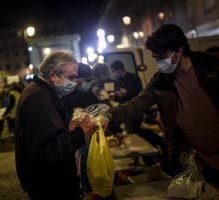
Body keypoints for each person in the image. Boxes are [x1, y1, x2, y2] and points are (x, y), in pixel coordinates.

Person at [109, 23, 219, 186]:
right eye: (155, 58)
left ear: (179, 50)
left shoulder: (212, 67)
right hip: (197, 163)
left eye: (162, 57)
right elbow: (136, 105)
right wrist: (107, 115)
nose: (158, 62)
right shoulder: (161, 81)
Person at [15, 51, 97, 200]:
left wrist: (69, 127)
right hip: (49, 186)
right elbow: (47, 150)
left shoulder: (43, 92)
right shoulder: (37, 98)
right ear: (53, 75)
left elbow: (52, 132)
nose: (74, 82)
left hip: (52, 181)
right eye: (71, 77)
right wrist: (80, 133)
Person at [109, 60, 143, 133]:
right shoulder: (117, 81)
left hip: (134, 110)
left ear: (119, 69)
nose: (113, 74)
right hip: (123, 110)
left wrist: (127, 93)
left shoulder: (134, 78)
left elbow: (141, 94)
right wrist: (115, 97)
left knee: (136, 132)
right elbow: (120, 97)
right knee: (127, 132)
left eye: (113, 71)